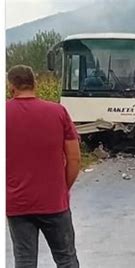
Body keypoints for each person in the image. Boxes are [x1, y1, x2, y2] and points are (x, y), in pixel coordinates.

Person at [6, 65, 81, 267]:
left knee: (24, 260)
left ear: (11, 87)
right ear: (35, 83)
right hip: (54, 202)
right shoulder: (58, 112)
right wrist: (62, 189)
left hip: (18, 203)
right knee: (66, 258)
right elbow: (74, 159)